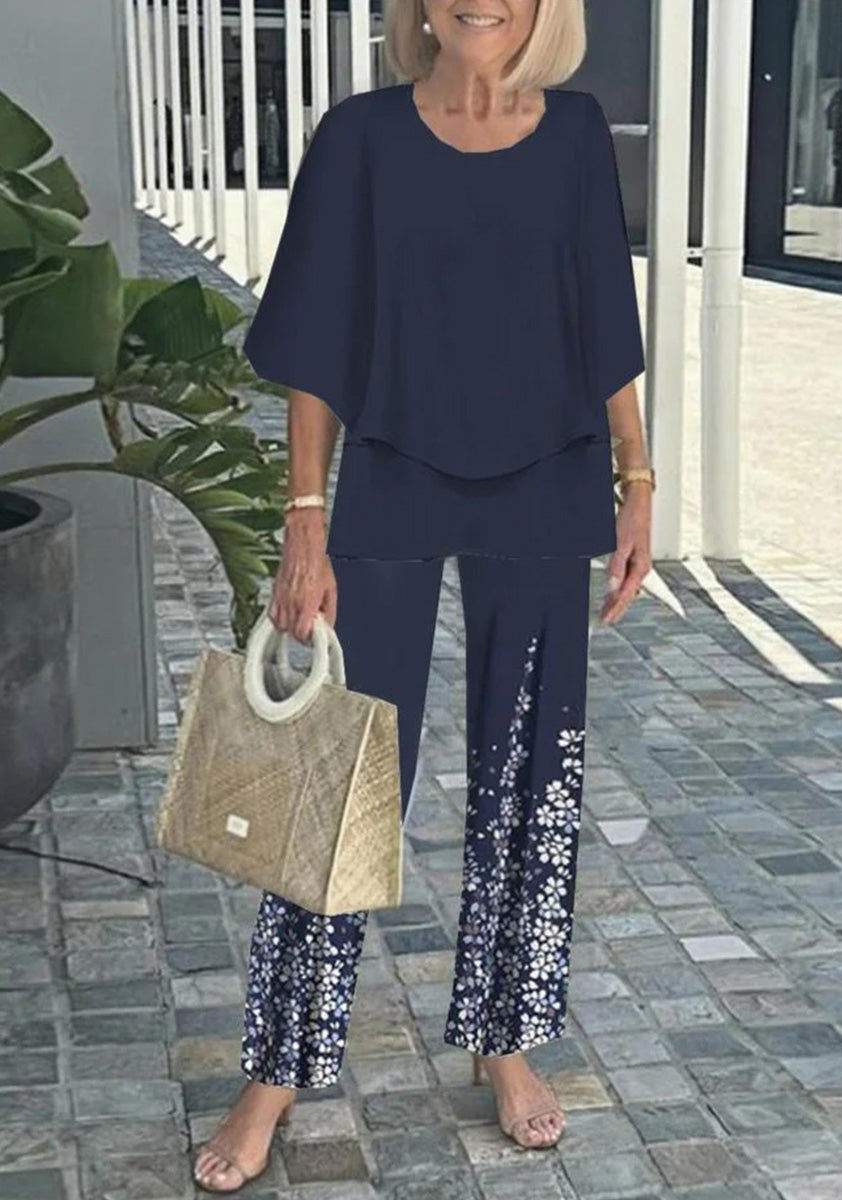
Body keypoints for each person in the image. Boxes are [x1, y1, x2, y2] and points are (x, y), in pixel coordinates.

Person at [192, 0, 653, 1190]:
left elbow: (606, 320)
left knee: (532, 767)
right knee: (344, 770)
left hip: (549, 477)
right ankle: (279, 1067)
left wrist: (638, 480)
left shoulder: (577, 134)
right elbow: (317, 341)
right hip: (393, 471)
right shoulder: (361, 138)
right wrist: (306, 517)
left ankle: (507, 1039)